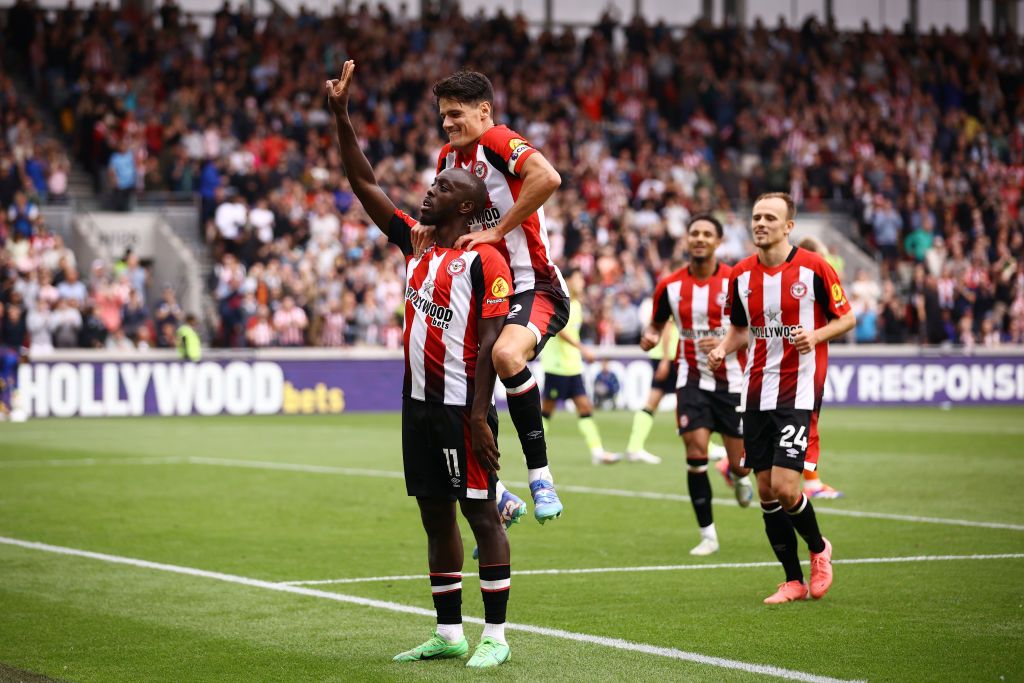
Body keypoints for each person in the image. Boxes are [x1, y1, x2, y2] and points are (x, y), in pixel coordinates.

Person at [328, 61, 513, 668]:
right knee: (434, 513)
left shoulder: (485, 262)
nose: (429, 191)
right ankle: (449, 632)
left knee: (481, 514)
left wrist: (483, 415)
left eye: (443, 189)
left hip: (464, 408)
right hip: (418, 407)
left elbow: (489, 343)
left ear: (467, 205)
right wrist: (341, 115)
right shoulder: (415, 243)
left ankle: (496, 637)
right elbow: (363, 184)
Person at [417, 71, 570, 523]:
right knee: (461, 382)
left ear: (484, 111)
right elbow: (447, 211)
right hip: (482, 290)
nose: (447, 123)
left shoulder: (500, 140)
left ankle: (541, 477)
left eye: (456, 114)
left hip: (532, 283)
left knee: (505, 356)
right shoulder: (448, 157)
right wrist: (431, 227)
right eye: (443, 115)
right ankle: (499, 491)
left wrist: (498, 230)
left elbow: (548, 177)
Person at [708, 193, 856, 604]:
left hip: (799, 393)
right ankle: (792, 580)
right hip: (756, 393)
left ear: (788, 226)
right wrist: (723, 348)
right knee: (767, 492)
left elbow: (847, 317)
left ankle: (819, 549)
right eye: (756, 217)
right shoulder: (740, 275)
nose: (760, 223)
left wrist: (817, 335)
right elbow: (740, 329)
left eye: (770, 218)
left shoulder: (814, 268)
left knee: (788, 488)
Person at [641, 215, 754, 556]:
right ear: (686, 240)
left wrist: (723, 345)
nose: (700, 239)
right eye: (694, 234)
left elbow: (750, 331)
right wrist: (650, 337)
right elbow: (656, 325)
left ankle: (735, 474)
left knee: (742, 464)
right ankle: (708, 535)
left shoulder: (736, 281)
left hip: (733, 381)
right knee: (694, 452)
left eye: (707, 234)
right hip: (690, 380)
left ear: (719, 242)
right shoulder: (670, 286)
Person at [540, 269, 620, 465]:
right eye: (576, 279)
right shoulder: (560, 301)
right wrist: (583, 349)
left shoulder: (576, 304)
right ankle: (533, 451)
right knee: (547, 411)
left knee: (585, 407)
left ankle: (597, 452)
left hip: (573, 366)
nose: (581, 283)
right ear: (567, 280)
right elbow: (559, 330)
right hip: (557, 365)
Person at [794, 236, 845, 499]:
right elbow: (845, 318)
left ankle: (733, 462)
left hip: (803, 362)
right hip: (804, 364)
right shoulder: (807, 278)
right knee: (807, 421)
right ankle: (811, 483)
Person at [624, 299, 678, 465]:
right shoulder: (673, 294)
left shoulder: (665, 295)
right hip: (669, 357)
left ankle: (634, 447)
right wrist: (666, 359)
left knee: (660, 400)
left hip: (665, 356)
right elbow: (668, 328)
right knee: (686, 398)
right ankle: (634, 447)